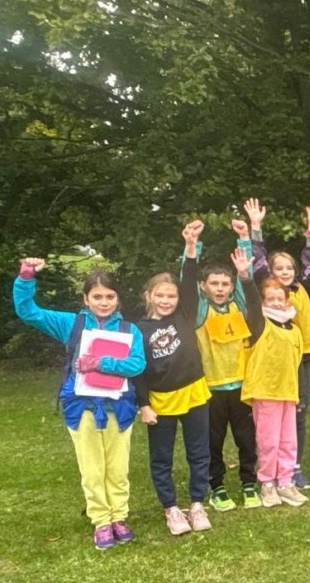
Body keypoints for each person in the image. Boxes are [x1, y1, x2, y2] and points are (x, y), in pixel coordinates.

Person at [14, 258, 146, 550]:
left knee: (117, 467)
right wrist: (26, 279)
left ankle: (119, 516)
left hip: (119, 408)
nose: (104, 302)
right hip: (82, 406)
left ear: (118, 298)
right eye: (97, 297)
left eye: (109, 296)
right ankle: (101, 520)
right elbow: (28, 311)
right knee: (92, 467)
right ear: (86, 299)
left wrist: (101, 363)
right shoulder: (71, 324)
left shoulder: (129, 329)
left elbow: (137, 364)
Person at [246, 198, 310, 490]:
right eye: (279, 268)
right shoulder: (268, 290)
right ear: (271, 273)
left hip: (303, 357)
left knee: (299, 411)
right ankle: (267, 469)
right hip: (275, 362)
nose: (285, 272)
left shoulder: (303, 287)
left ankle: (292, 467)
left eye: (289, 268)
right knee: (272, 418)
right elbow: (258, 260)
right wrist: (255, 227)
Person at [136, 221, 213, 535]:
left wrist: (191, 247)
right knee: (162, 457)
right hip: (161, 400)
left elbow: (190, 279)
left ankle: (197, 503)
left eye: (171, 295)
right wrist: (144, 405)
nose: (166, 300)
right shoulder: (138, 330)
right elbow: (138, 371)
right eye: (161, 295)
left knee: (199, 452)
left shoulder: (185, 315)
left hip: (194, 393)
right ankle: (171, 508)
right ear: (149, 296)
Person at [195, 221, 260, 511]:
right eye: (214, 283)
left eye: (224, 284)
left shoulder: (238, 305)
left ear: (231, 287)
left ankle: (249, 482)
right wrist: (193, 246)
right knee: (214, 440)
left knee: (246, 438)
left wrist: (244, 238)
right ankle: (217, 486)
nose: (220, 288)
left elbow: (248, 278)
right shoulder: (199, 309)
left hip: (242, 386)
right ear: (203, 286)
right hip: (211, 388)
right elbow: (186, 280)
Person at [237, 250, 309, 508]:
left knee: (288, 441)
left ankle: (285, 482)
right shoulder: (260, 324)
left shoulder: (294, 330)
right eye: (271, 298)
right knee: (268, 442)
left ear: (287, 300)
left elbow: (296, 363)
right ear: (264, 301)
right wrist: (245, 276)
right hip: (265, 391)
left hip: (287, 392)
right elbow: (252, 301)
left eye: (280, 298)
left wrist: (298, 392)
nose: (276, 303)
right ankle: (267, 482)